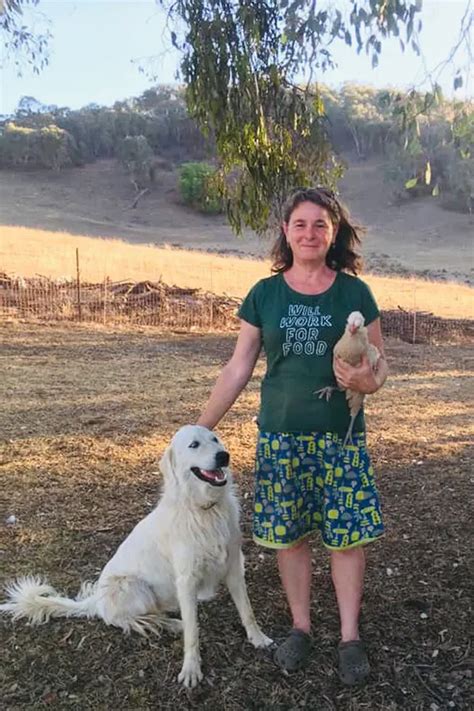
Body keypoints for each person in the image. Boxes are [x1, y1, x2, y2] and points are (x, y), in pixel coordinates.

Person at [197, 187, 388, 685]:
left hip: (341, 437)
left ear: (333, 233)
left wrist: (370, 381)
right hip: (281, 438)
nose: (309, 233)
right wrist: (201, 428)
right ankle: (301, 627)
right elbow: (239, 367)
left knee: (346, 540)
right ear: (286, 231)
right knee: (291, 538)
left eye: (320, 225)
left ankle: (350, 637)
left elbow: (378, 363)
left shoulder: (355, 293)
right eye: (300, 224)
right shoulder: (265, 293)